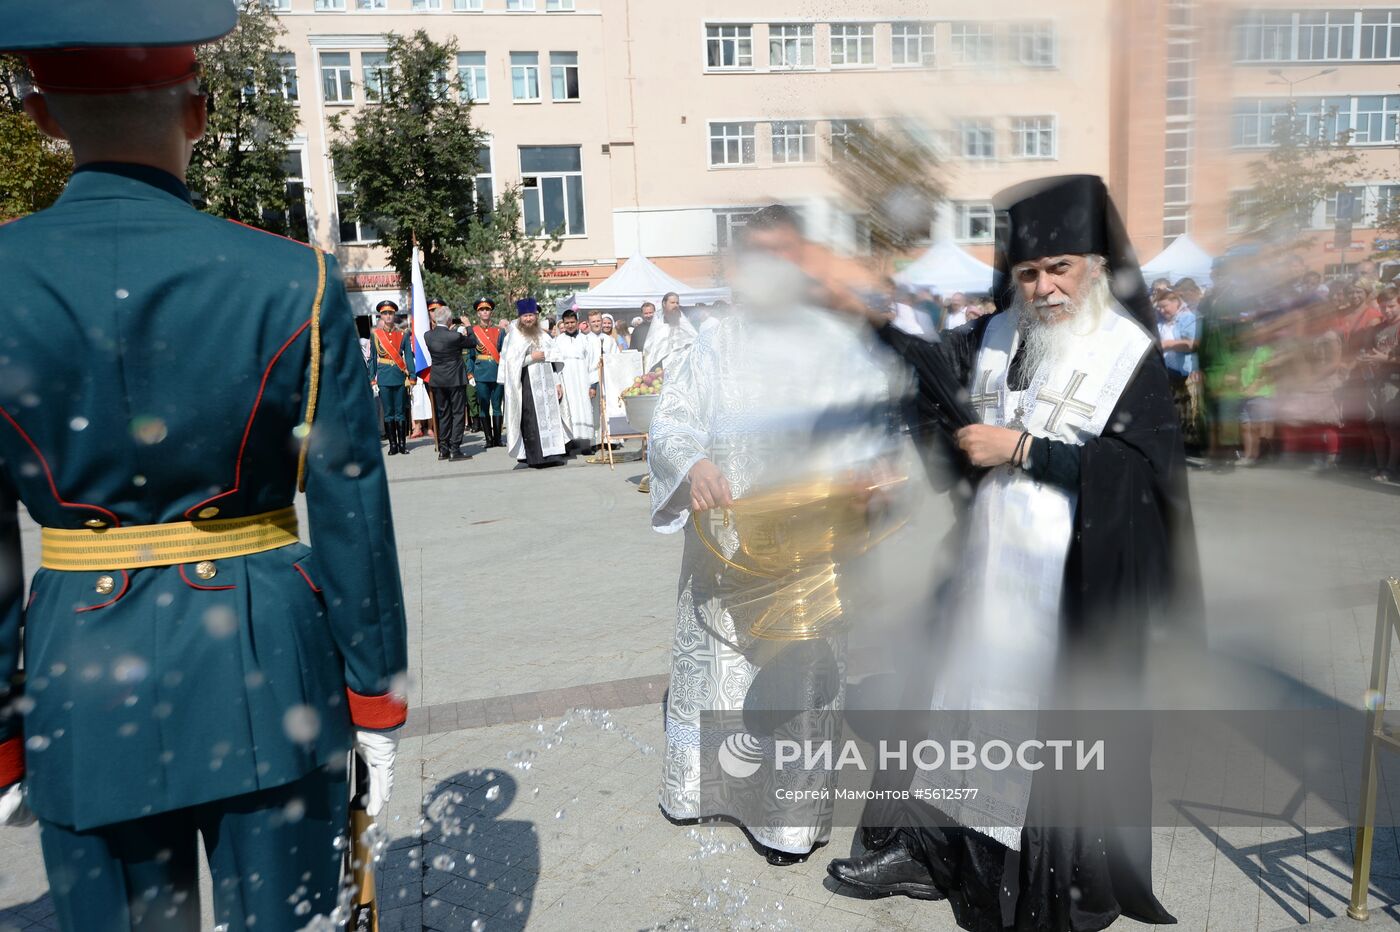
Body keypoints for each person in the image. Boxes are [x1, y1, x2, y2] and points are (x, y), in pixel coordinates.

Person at [0, 5, 409, 928]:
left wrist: (1, 735)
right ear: (200, 109)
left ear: (41, 115)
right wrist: (376, 696)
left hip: (77, 671)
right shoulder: (290, 279)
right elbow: (349, 504)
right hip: (265, 660)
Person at [827, 175, 1199, 930]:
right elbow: (928, 381)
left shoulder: (1128, 353)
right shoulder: (994, 337)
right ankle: (926, 855)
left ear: (1094, 265)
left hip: (1073, 584)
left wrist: (1025, 448)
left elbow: (1138, 477)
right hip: (988, 566)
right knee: (947, 700)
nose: (1045, 286)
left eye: (1059, 267)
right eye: (1029, 273)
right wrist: (867, 323)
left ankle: (1044, 884)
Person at [649, 203, 906, 866]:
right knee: (720, 679)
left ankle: (787, 824)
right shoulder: (711, 341)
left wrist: (873, 475)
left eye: (784, 254)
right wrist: (694, 463)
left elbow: (875, 433)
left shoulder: (838, 346)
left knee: (798, 684)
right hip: (723, 555)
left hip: (808, 560)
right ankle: (706, 793)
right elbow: (672, 424)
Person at [501, 298, 571, 468]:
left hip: (547, 381)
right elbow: (511, 364)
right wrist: (531, 358)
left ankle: (553, 454)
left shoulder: (542, 335)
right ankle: (536, 457)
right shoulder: (514, 336)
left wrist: (557, 383)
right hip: (527, 383)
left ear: (536, 316)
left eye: (531, 315)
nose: (528, 319)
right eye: (525, 316)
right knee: (531, 418)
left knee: (550, 416)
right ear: (520, 317)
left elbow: (553, 360)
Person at [424, 304, 478, 461]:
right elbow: (473, 342)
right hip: (455, 379)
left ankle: (443, 449)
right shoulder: (454, 336)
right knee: (458, 413)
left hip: (438, 380)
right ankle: (455, 449)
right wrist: (468, 325)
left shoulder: (428, 336)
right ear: (448, 320)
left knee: (443, 414)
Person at [1156, 290, 1202, 454]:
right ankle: (1179, 444)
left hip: (1186, 371)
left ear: (1176, 302)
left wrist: (1169, 344)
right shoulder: (1161, 322)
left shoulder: (1187, 318)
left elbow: (1193, 344)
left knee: (1190, 409)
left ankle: (1193, 445)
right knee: (1176, 409)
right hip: (1168, 371)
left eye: (1165, 306)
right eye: (1159, 308)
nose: (1162, 311)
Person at [552, 308, 598, 456]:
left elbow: (592, 363)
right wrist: (557, 382)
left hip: (583, 380)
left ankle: (586, 444)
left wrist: (593, 385)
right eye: (567, 323)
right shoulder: (558, 341)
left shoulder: (586, 340)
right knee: (567, 410)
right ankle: (567, 444)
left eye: (572, 322)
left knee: (584, 409)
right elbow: (554, 364)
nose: (570, 325)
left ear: (577, 322)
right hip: (566, 380)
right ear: (563, 324)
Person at [373, 300, 416, 455]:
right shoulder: (376, 336)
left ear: (394, 314)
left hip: (399, 377)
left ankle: (402, 444)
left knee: (400, 412)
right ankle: (392, 445)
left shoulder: (402, 335)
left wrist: (412, 375)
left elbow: (409, 357)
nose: (388, 315)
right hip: (384, 378)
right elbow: (372, 358)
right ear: (381, 316)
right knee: (388, 412)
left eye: (390, 313)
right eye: (385, 313)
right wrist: (372, 379)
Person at [470, 298, 506, 449]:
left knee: (497, 405)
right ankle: (488, 439)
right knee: (483, 406)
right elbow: (470, 355)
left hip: (497, 371)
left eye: (487, 309)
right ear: (478, 313)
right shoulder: (473, 331)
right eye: (482, 310)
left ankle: (498, 439)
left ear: (491, 312)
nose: (485, 312)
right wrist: (470, 374)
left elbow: (504, 354)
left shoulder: (500, 331)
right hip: (481, 373)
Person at [642, 291, 698, 373]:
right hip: (660, 365)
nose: (675, 305)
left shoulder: (681, 318)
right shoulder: (658, 319)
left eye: (677, 303)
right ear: (664, 303)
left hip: (681, 364)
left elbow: (693, 336)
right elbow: (652, 344)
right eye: (672, 303)